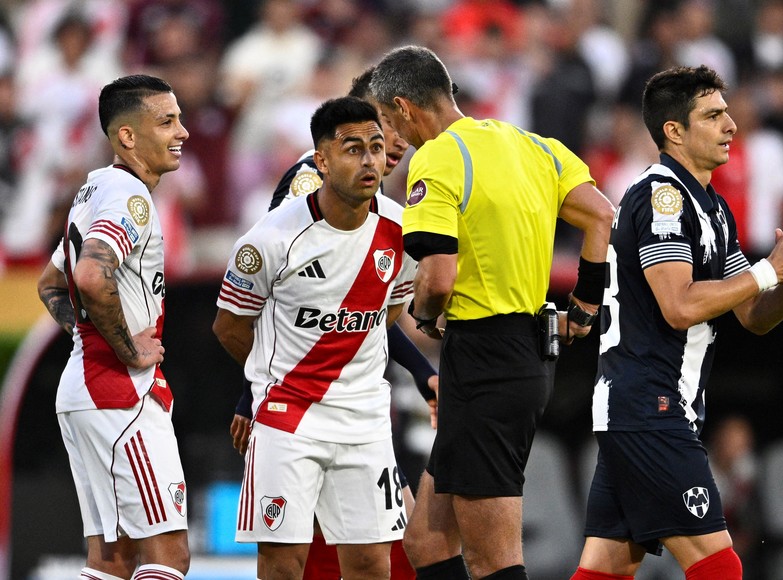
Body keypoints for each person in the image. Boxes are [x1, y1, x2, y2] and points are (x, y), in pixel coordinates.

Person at [573, 65, 783, 580]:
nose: (731, 125)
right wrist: (769, 270)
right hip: (650, 406)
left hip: (643, 408)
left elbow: (752, 315)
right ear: (674, 130)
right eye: (713, 115)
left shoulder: (714, 208)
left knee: (605, 569)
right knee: (720, 567)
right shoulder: (663, 196)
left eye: (727, 113)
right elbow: (680, 306)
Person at [369, 45, 616, 580]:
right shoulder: (535, 146)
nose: (391, 136)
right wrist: (585, 310)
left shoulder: (437, 156)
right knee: (428, 541)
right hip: (525, 356)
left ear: (404, 108)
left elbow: (438, 278)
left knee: (492, 559)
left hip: (485, 361)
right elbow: (601, 215)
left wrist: (425, 314)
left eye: (388, 120)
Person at [228, 68, 437, 580]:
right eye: (387, 124)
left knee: (378, 548)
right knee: (300, 553)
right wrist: (253, 394)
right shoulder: (309, 190)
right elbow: (276, 304)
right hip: (295, 405)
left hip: (359, 405)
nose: (398, 142)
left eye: (393, 134)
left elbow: (370, 312)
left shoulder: (390, 216)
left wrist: (419, 371)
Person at [35, 74, 190, 580]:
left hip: (86, 386)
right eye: (167, 121)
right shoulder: (130, 196)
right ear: (127, 136)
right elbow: (88, 275)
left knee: (111, 559)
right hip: (119, 393)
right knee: (168, 555)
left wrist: (89, 338)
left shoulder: (95, 187)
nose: (182, 132)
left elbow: (51, 283)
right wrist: (126, 349)